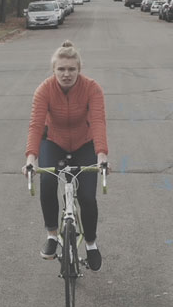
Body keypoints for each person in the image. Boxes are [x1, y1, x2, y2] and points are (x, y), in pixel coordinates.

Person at [23, 40, 109, 271]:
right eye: (61, 69)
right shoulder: (44, 90)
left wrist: (101, 154)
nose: (66, 74)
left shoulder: (92, 88)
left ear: (79, 69)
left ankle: (91, 244)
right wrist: (31, 158)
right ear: (54, 70)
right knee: (48, 181)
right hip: (54, 142)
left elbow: (99, 122)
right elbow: (36, 125)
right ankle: (53, 234)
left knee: (88, 197)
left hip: (84, 143)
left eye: (71, 69)